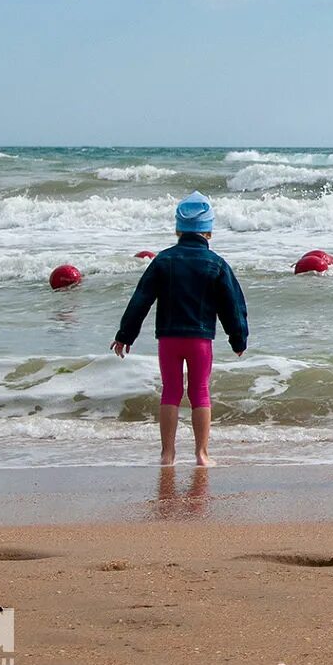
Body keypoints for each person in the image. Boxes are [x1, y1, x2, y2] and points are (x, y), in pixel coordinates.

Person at [112, 191, 249, 468]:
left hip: (169, 339)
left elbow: (141, 299)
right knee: (200, 391)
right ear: (208, 231)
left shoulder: (163, 260)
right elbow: (232, 305)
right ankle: (201, 454)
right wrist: (238, 338)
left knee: (170, 391)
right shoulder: (217, 264)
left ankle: (167, 454)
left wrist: (125, 335)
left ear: (178, 229)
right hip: (200, 340)